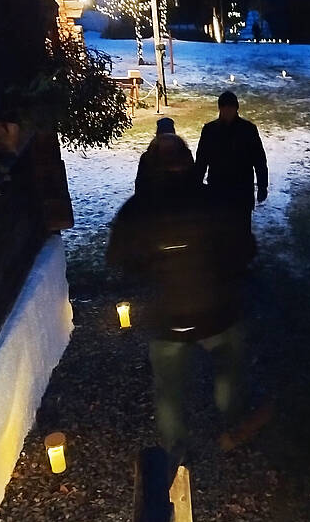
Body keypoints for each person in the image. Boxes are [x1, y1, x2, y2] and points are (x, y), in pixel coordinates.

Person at [107, 131, 252, 464]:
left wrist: (149, 267)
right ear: (189, 163)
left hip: (167, 316)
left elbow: (117, 258)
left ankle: (176, 447)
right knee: (229, 364)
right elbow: (244, 249)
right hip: (217, 310)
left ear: (150, 167)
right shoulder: (214, 201)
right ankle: (231, 419)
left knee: (168, 390)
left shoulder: (136, 210)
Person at [195, 91, 268, 229]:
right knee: (218, 230)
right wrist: (196, 183)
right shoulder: (210, 130)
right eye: (224, 107)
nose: (227, 111)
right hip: (217, 189)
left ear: (236, 108)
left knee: (241, 230)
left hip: (241, 191)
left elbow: (259, 159)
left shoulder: (248, 130)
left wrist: (262, 185)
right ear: (220, 109)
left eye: (231, 107)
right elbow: (201, 159)